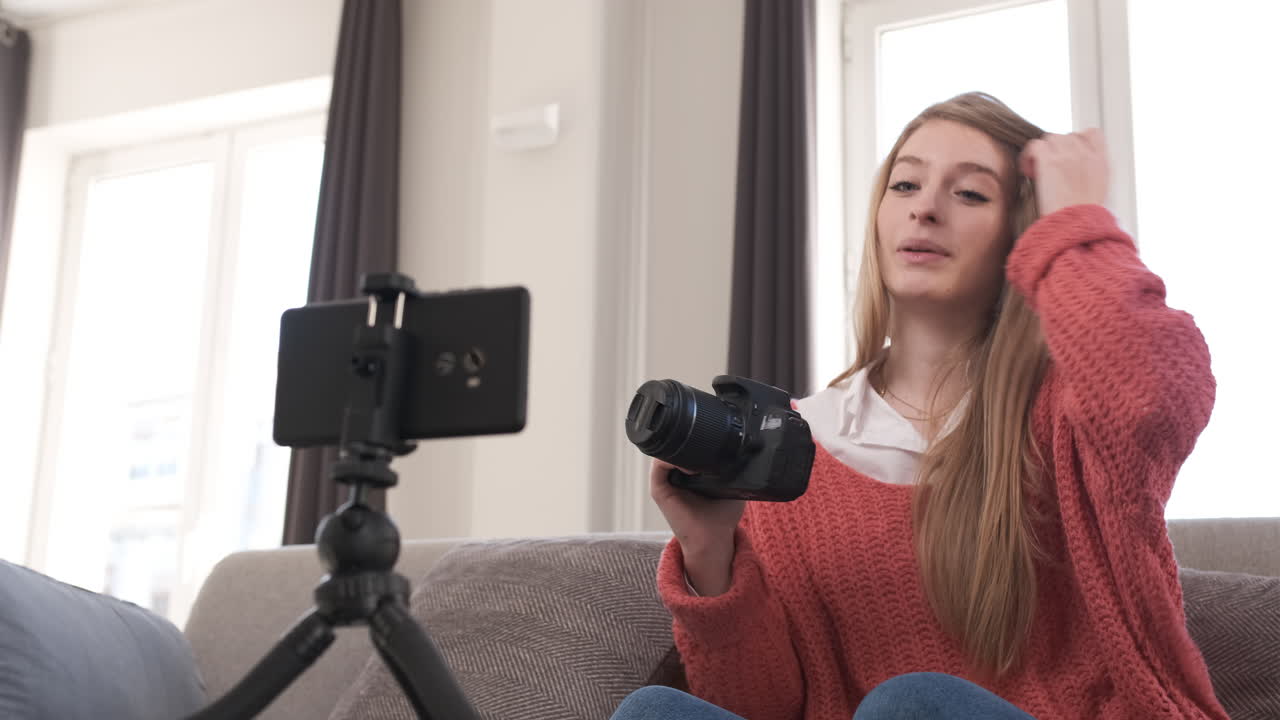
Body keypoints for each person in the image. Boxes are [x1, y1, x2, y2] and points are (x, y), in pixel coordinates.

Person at [610, 93, 1229, 720]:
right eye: (905, 184)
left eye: (970, 194)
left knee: (911, 703)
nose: (925, 209)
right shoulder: (795, 448)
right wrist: (711, 551)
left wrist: (1077, 223)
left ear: (1023, 233)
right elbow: (763, 708)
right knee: (653, 712)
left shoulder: (1073, 414)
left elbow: (1158, 392)